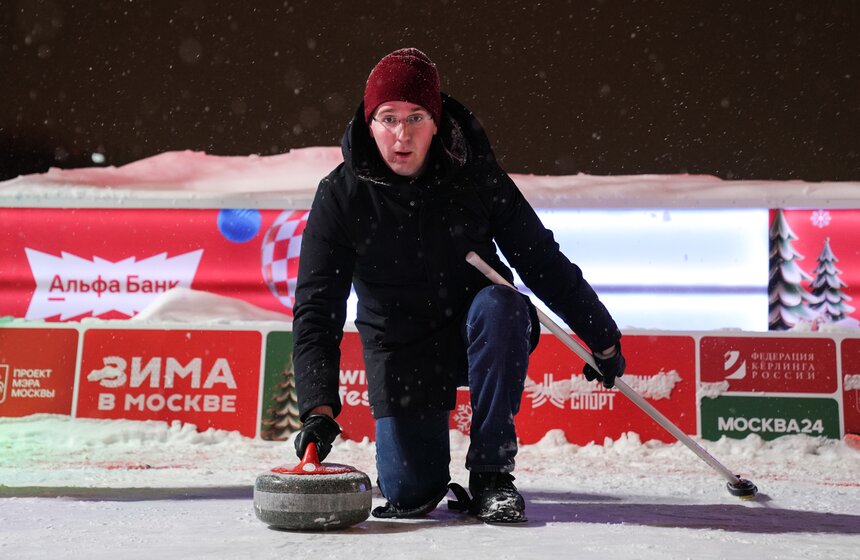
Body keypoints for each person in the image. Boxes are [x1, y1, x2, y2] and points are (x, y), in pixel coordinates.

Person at [291, 48, 625, 524]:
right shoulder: (341, 196)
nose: (401, 135)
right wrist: (318, 408)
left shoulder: (476, 178)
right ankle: (415, 470)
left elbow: (542, 260)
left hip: (477, 330)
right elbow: (317, 307)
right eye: (388, 118)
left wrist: (601, 336)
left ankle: (492, 473)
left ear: (436, 122)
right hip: (400, 346)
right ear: (369, 123)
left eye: (416, 117)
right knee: (410, 494)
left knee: (502, 303)